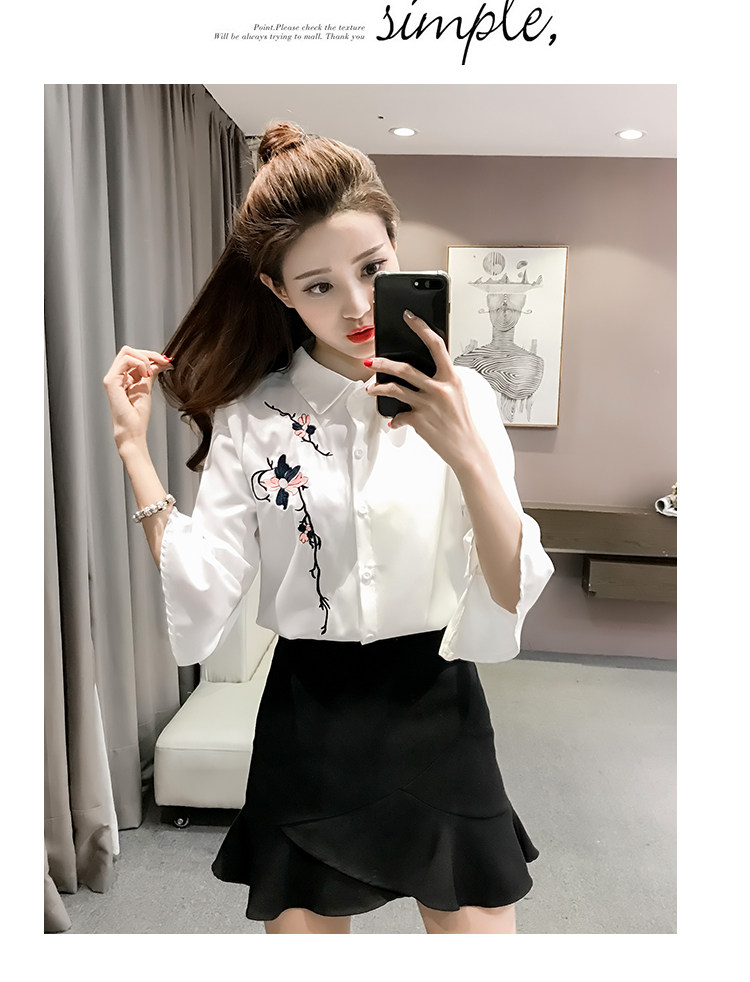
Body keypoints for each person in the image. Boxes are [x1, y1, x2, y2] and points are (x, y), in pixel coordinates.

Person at [103, 121, 554, 935]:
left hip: (438, 710)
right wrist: (135, 452)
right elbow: (202, 589)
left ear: (396, 248)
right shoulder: (253, 415)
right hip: (309, 720)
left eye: (372, 269)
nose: (355, 306)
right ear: (277, 291)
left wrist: (464, 451)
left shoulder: (469, 398)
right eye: (317, 285)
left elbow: (506, 582)